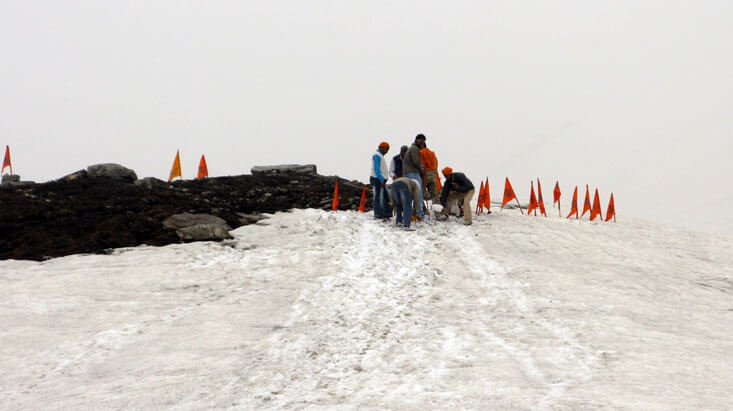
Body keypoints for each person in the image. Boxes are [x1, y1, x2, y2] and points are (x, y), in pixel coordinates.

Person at [402, 134, 426, 219]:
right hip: (413, 173)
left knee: (409, 194)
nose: (422, 143)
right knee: (418, 194)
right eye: (421, 140)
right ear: (417, 140)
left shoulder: (411, 148)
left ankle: (411, 214)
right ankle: (420, 214)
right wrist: (422, 170)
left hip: (407, 174)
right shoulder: (414, 149)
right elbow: (416, 161)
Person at [370, 142, 393, 219]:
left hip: (381, 180)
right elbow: (376, 169)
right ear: (381, 147)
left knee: (386, 197)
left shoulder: (380, 156)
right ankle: (378, 214)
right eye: (386, 149)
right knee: (378, 197)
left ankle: (387, 213)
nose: (387, 151)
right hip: (378, 179)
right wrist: (381, 180)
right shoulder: (377, 155)